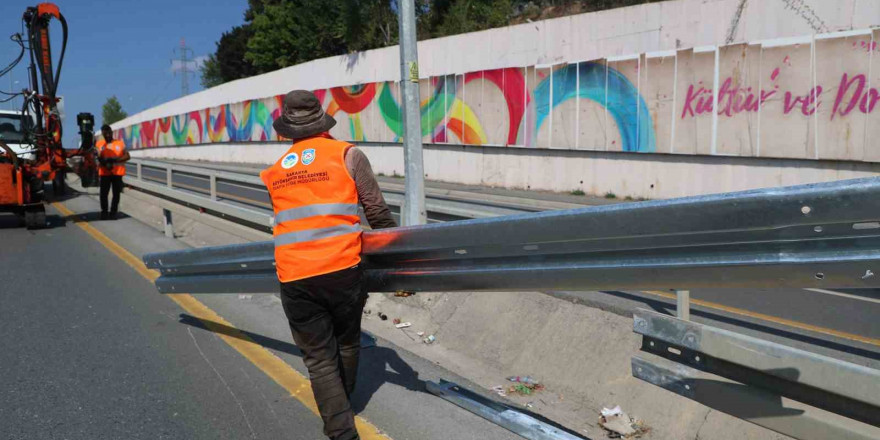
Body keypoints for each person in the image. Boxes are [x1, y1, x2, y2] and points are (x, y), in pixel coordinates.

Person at [260, 90, 397, 440]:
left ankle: (341, 430)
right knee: (347, 342)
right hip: (342, 270)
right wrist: (398, 263)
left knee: (319, 360)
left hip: (294, 276)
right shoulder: (347, 155)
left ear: (288, 127)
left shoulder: (275, 172)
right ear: (322, 121)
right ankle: (345, 404)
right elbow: (378, 213)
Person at [96, 124, 129, 220]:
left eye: (109, 133)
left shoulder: (119, 143)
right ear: (102, 134)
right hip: (104, 173)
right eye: (105, 133)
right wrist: (104, 163)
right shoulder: (99, 144)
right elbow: (97, 157)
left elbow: (127, 156)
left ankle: (113, 213)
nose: (107, 135)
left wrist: (115, 161)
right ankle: (104, 212)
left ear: (112, 132)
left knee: (116, 194)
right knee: (103, 194)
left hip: (117, 173)